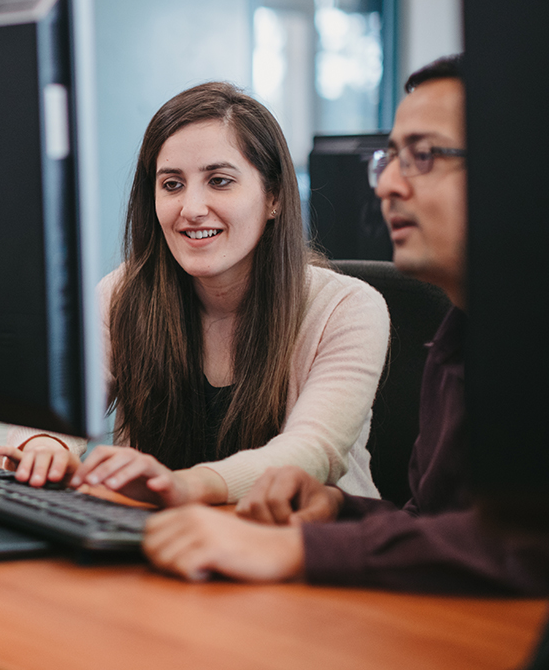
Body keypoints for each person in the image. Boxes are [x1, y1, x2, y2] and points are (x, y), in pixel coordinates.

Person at [142, 55, 549, 594]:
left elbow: (526, 548)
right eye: (391, 159)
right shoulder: (460, 334)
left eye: (423, 157)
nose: (387, 187)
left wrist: (296, 548)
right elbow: (435, 529)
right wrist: (337, 508)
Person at [0, 81, 389, 508]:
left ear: (273, 196)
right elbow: (56, 406)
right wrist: (45, 446)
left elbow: (308, 456)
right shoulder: (123, 293)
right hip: (163, 544)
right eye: (172, 184)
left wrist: (185, 486)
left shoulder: (347, 308)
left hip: (308, 555)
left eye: (219, 181)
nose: (192, 207)